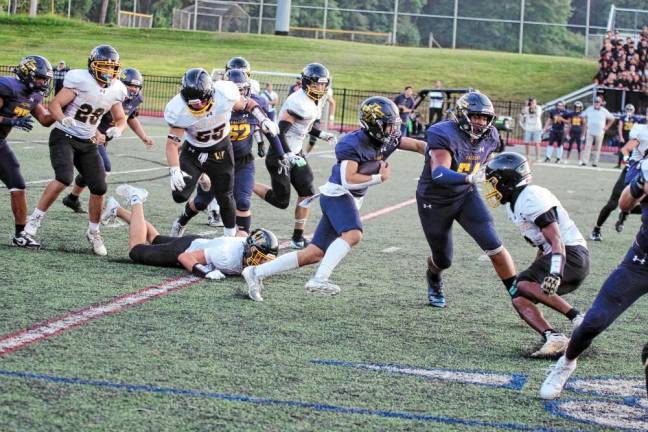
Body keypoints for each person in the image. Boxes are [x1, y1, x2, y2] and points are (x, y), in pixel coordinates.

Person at [242, 96, 425, 301]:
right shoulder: (353, 143)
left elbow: (418, 145)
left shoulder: (389, 138)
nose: (393, 130)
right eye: (388, 125)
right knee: (353, 234)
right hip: (338, 194)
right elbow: (348, 180)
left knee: (313, 253)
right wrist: (379, 177)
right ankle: (320, 279)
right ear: (374, 125)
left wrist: (439, 156)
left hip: (348, 198)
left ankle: (256, 273)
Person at [540, 157, 648, 399]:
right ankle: (565, 364)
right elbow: (624, 204)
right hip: (641, 262)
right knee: (593, 321)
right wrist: (640, 183)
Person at [416, 91, 517, 308]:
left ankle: (519, 295)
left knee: (494, 244)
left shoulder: (491, 136)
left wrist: (498, 192)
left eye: (485, 118)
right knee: (444, 259)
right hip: (435, 201)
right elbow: (439, 173)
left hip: (465, 196)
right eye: (476, 116)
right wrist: (470, 177)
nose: (481, 122)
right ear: (463, 115)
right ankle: (433, 276)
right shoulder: (443, 133)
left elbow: (487, 167)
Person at [25, 45, 128, 256]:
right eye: (104, 67)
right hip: (64, 134)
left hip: (88, 140)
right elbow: (54, 105)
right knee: (64, 177)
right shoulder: (80, 79)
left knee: (99, 187)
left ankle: (93, 232)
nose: (108, 72)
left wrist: (117, 129)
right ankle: (34, 220)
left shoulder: (117, 88)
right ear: (93, 66)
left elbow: (120, 118)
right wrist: (64, 119)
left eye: (111, 68)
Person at [484, 152, 589, 357]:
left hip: (572, 255)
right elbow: (543, 246)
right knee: (518, 295)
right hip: (559, 256)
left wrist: (554, 273)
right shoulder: (514, 204)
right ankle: (554, 337)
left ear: (508, 181)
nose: (492, 187)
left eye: (495, 182)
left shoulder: (531, 197)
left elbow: (556, 239)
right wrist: (535, 272)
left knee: (522, 283)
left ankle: (579, 319)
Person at [165, 67, 277, 238]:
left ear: (211, 94)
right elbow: (172, 144)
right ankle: (202, 178)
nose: (198, 106)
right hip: (194, 151)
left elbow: (248, 104)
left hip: (220, 150)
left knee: (225, 196)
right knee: (179, 195)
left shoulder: (224, 94)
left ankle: (229, 236)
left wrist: (263, 119)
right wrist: (174, 170)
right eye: (192, 103)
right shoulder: (178, 109)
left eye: (201, 101)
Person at [101, 184, 278, 278]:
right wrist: (205, 272)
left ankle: (116, 209)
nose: (260, 263)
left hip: (196, 243)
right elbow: (184, 258)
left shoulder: (244, 244)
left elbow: (242, 234)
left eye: (263, 260)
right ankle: (136, 198)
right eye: (259, 258)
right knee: (136, 249)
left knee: (154, 238)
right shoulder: (225, 255)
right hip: (185, 250)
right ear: (249, 249)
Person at [253, 63, 336, 250]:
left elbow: (307, 126)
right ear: (307, 83)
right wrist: (287, 155)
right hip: (280, 152)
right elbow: (279, 132)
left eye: (323, 84)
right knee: (281, 201)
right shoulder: (297, 101)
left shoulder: (317, 100)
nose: (320, 88)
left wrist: (322, 135)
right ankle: (246, 183)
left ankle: (297, 237)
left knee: (307, 192)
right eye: (316, 84)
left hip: (295, 152)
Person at [61, 67, 154, 214]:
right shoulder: (109, 94)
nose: (133, 89)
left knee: (93, 169)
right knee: (104, 168)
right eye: (130, 85)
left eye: (136, 86)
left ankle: (72, 198)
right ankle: (99, 206)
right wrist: (96, 132)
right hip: (90, 134)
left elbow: (130, 117)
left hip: (103, 138)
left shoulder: (135, 99)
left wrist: (143, 137)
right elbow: (89, 117)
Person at [0, 55, 55, 249]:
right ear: (26, 73)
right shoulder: (7, 87)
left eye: (44, 79)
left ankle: (20, 235)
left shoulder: (34, 95)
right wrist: (11, 121)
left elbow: (45, 119)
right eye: (39, 77)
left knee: (18, 185)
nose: (42, 82)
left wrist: (63, 110)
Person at [590, 114, 648, 241]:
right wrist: (627, 159)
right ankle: (596, 228)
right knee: (612, 204)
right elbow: (625, 149)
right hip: (634, 170)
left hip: (647, 173)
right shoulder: (643, 132)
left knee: (644, 205)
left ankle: (624, 213)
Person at [581, 96, 615, 167]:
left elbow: (612, 118)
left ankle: (595, 162)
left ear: (601, 103)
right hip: (590, 131)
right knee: (587, 146)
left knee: (597, 148)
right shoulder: (589, 109)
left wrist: (607, 127)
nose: (596, 103)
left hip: (599, 132)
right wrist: (585, 122)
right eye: (595, 102)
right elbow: (582, 115)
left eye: (598, 102)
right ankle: (585, 161)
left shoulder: (604, 110)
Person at [304, 86, 336, 155]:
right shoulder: (305, 90)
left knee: (313, 138)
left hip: (315, 117)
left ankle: (305, 154)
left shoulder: (326, 91)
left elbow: (332, 102)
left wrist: (331, 118)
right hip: (305, 115)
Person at [616, 104, 642, 168]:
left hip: (632, 137)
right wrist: (621, 137)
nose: (629, 110)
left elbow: (637, 129)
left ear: (633, 110)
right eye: (628, 109)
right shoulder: (623, 118)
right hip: (625, 136)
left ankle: (629, 165)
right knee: (622, 150)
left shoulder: (635, 119)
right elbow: (620, 127)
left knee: (632, 152)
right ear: (625, 109)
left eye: (630, 109)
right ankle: (619, 164)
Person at [519, 97, 543, 162]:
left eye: (534, 102)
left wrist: (533, 108)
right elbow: (522, 113)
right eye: (531, 102)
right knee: (526, 142)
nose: (532, 103)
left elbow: (538, 115)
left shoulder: (538, 108)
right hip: (528, 127)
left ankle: (538, 157)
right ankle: (527, 156)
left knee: (537, 142)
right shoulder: (527, 108)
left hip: (537, 127)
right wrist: (526, 105)